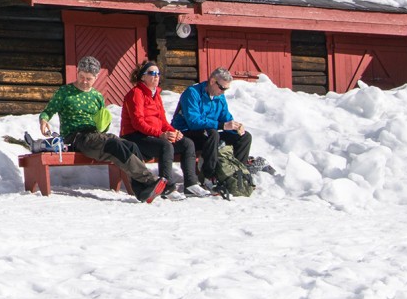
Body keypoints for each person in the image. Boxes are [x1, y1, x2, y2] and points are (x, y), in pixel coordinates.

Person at [37, 55, 167, 203]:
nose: (84, 81)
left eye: (89, 78)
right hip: (75, 137)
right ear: (77, 72)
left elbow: (102, 124)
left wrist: (104, 123)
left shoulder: (97, 97)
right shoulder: (65, 92)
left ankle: (142, 190)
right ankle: (148, 180)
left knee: (130, 145)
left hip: (94, 135)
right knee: (115, 145)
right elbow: (49, 110)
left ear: (96, 77)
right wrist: (44, 120)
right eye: (82, 77)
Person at [120, 60, 207, 197]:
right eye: (152, 73)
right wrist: (161, 134)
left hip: (153, 136)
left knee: (187, 143)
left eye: (158, 74)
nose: (156, 76)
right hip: (134, 137)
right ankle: (167, 187)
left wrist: (174, 132)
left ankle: (191, 184)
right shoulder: (136, 94)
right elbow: (138, 123)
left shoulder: (156, 96)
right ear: (143, 76)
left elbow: (162, 121)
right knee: (165, 145)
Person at [172, 67, 255, 185]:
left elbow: (225, 118)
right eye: (221, 87)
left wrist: (236, 127)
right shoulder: (192, 93)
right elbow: (193, 121)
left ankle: (235, 173)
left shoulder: (219, 97)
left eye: (226, 89)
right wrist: (221, 125)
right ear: (212, 81)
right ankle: (209, 176)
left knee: (244, 137)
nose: (223, 91)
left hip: (208, 134)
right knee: (212, 133)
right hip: (185, 134)